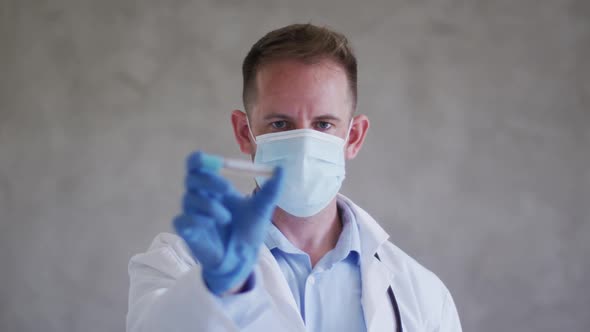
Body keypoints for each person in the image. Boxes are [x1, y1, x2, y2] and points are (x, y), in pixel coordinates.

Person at [126, 23, 462, 332]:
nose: (304, 145)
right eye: (280, 124)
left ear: (354, 136)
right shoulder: (177, 265)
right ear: (245, 133)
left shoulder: (421, 294)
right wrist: (219, 285)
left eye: (323, 124)